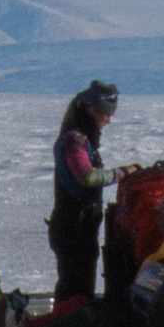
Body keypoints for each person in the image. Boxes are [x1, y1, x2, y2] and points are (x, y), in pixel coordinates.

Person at [46, 81, 119, 307]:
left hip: (81, 227)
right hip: (72, 228)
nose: (108, 120)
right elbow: (87, 176)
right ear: (91, 110)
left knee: (80, 287)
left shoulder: (82, 139)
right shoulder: (73, 140)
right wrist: (121, 174)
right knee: (73, 290)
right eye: (105, 114)